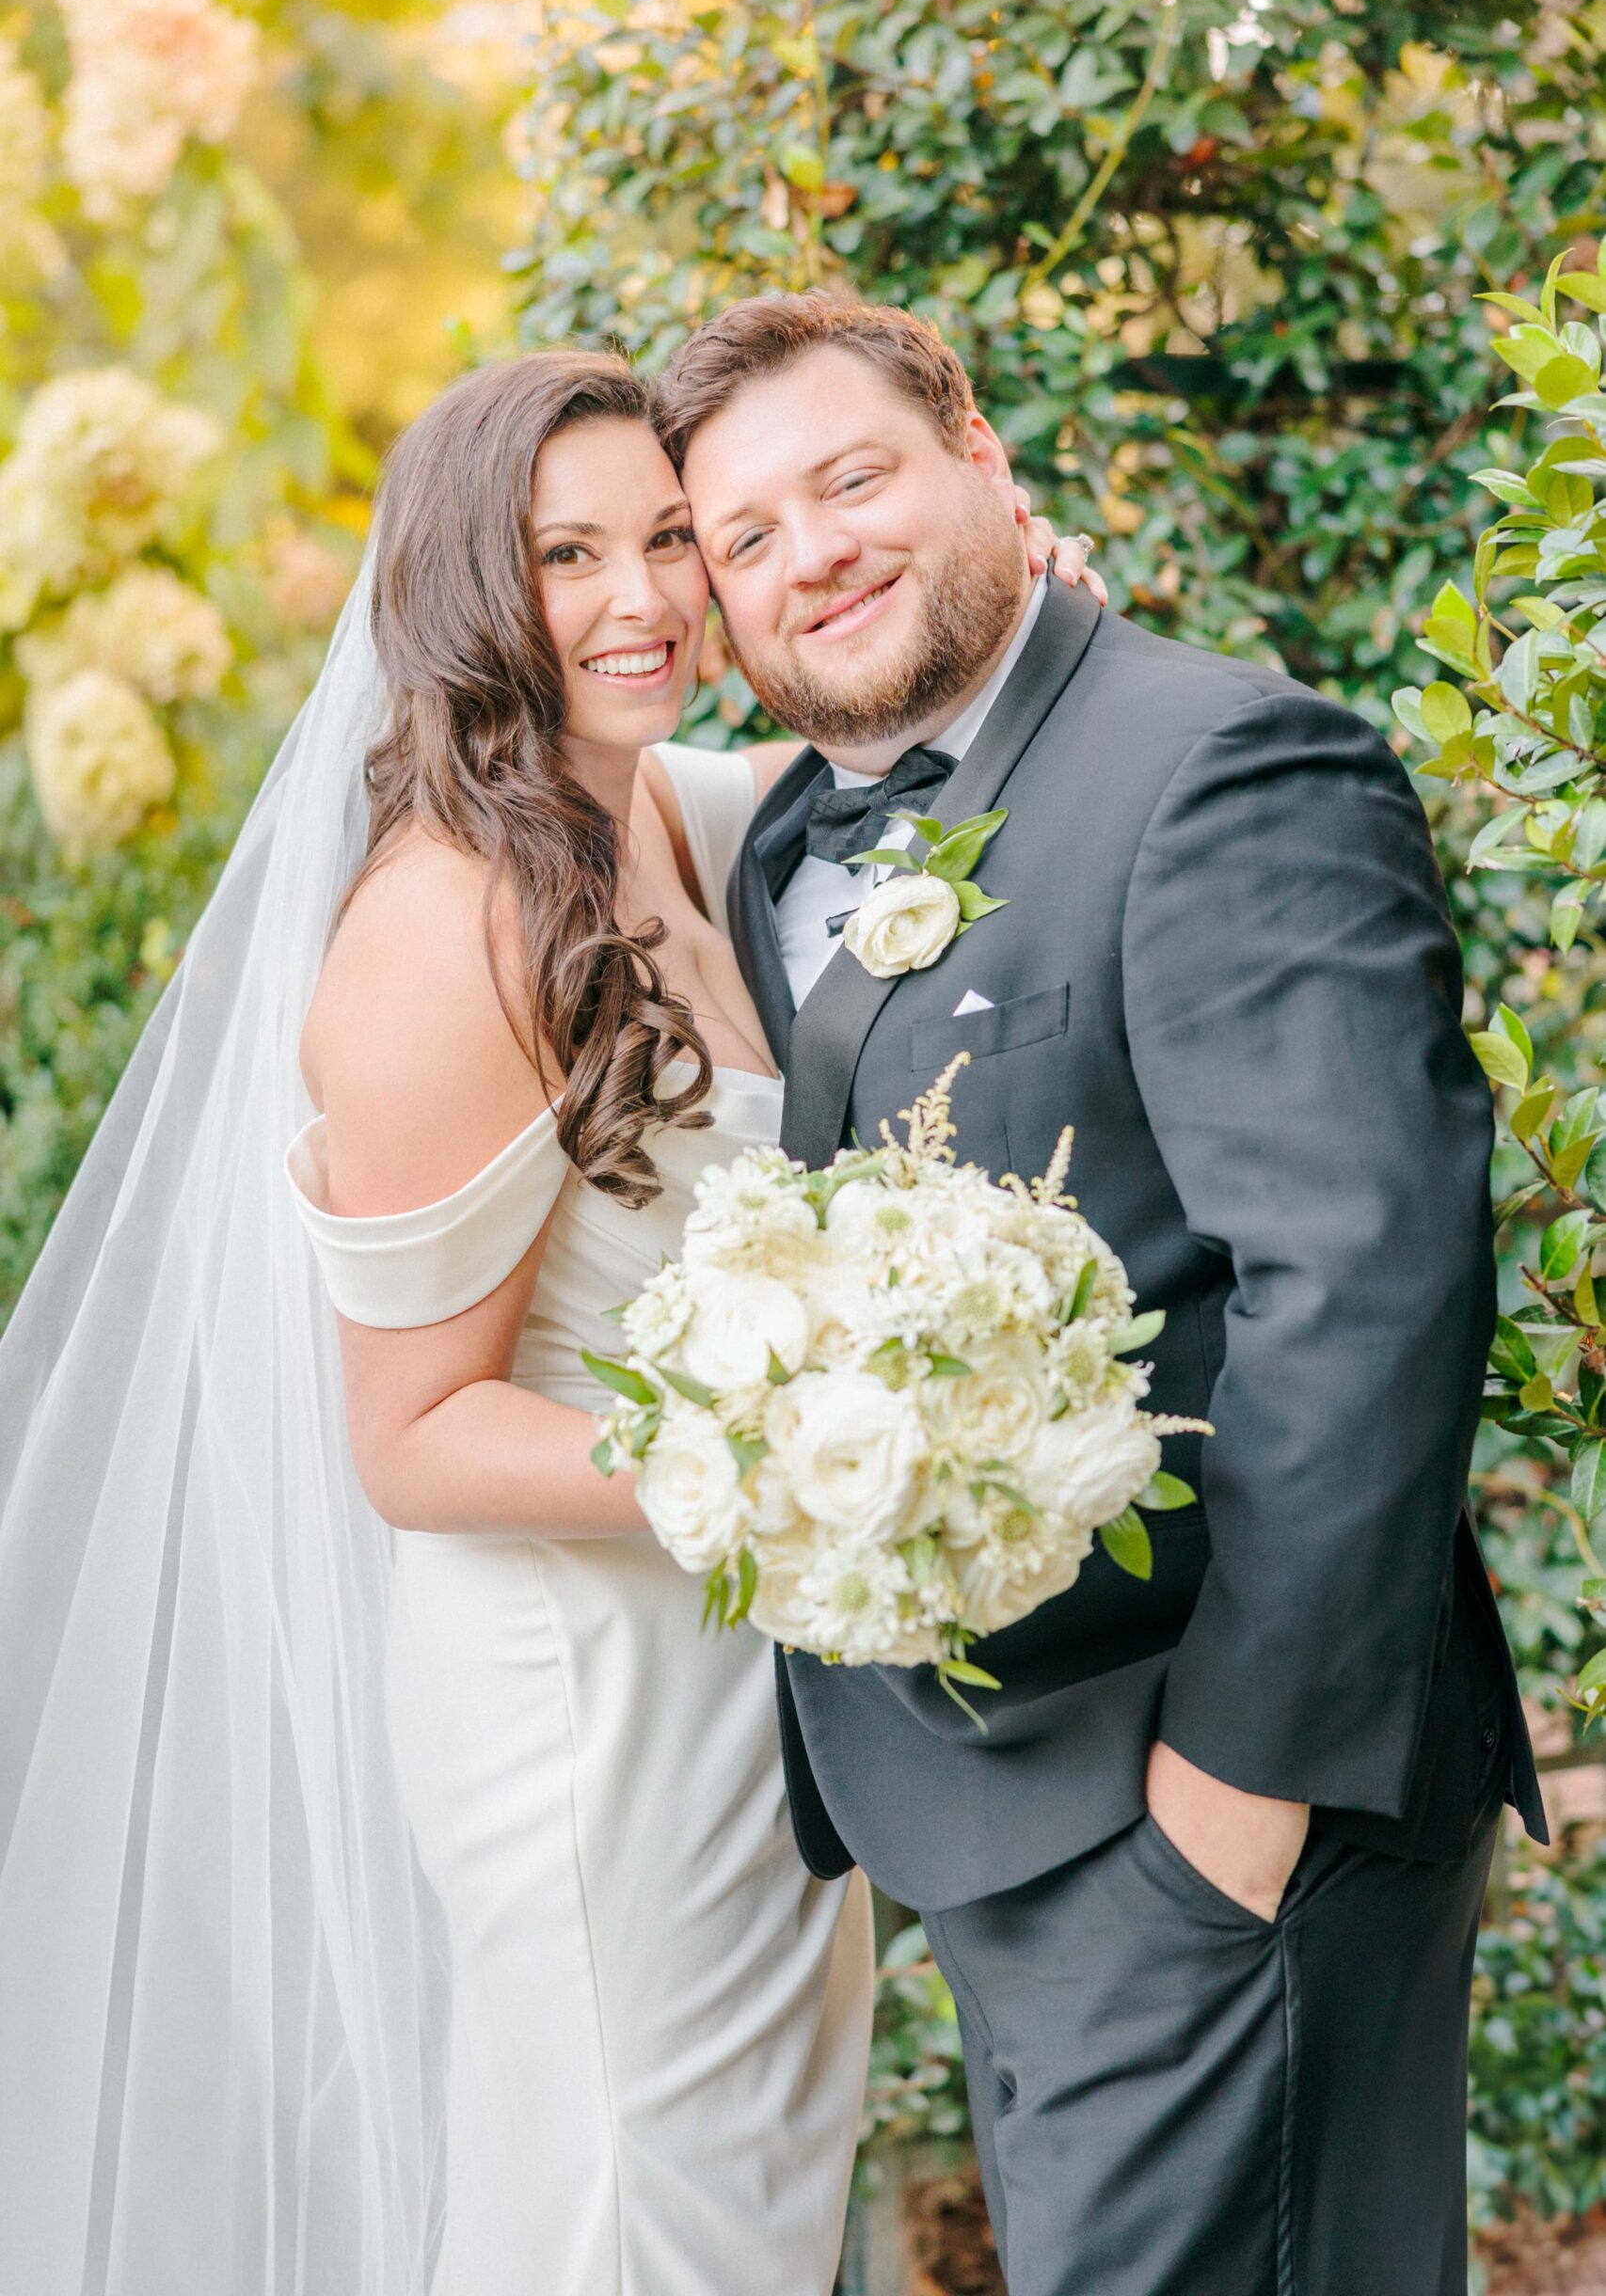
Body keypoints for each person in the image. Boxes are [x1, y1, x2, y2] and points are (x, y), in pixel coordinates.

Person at [0, 338, 1098, 2294]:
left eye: (671, 540)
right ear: (459, 592)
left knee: (741, 2195)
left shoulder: (653, 806)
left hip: (731, 1641)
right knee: (618, 2201)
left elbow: (883, 732)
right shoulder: (440, 930)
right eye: (565, 553)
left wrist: (1022, 589)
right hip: (579, 1699)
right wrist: (814, 1464)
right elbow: (412, 1437)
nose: (642, 599)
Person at [652, 290, 1550, 2296]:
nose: (815, 552)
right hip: (1016, 1807)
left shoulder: (1217, 761)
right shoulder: (782, 839)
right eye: (748, 535)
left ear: (980, 456)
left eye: (853, 477)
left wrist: (1230, 1800)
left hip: (1215, 1792)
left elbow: (1362, 1277)